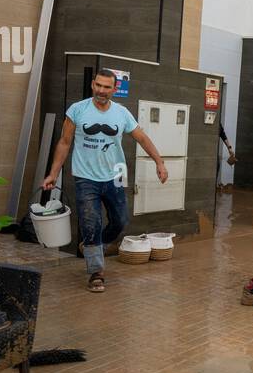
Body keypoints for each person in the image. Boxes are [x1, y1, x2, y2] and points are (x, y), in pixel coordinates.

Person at [42, 69, 168, 293]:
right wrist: (53, 173)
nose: (101, 90)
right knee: (91, 223)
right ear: (92, 84)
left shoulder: (121, 113)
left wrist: (159, 162)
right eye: (98, 85)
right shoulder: (77, 110)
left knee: (120, 221)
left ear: (114, 89)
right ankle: (96, 272)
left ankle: (93, 246)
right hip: (85, 176)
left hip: (116, 175)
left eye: (106, 87)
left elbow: (142, 137)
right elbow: (64, 142)